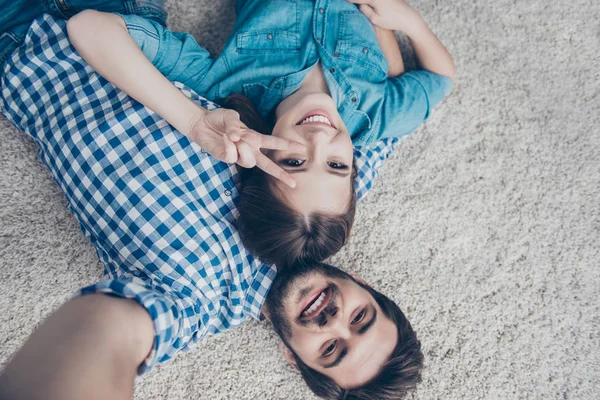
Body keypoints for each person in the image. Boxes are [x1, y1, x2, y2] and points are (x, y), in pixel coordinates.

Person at [0, 3, 422, 399]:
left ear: (293, 360)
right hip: (126, 16)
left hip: (18, 48)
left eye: (331, 350)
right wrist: (389, 19)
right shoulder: (333, 199)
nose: (334, 322)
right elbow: (389, 113)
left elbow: (108, 337)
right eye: (361, 319)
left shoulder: (195, 305)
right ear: (365, 289)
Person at [67, 0, 456, 267]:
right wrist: (408, 21)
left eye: (295, 161)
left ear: (263, 159)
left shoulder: (226, 89)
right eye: (336, 164)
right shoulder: (377, 117)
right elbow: (440, 79)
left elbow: (88, 26)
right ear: (355, 163)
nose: (319, 141)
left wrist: (192, 120)